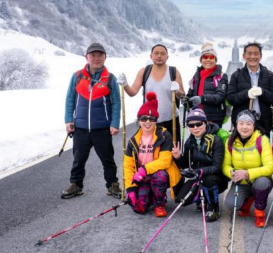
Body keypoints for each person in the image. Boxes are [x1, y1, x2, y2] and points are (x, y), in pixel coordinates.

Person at [62, 43, 121, 199]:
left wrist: (115, 123)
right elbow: (70, 99)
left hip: (102, 128)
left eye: (99, 55)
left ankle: (112, 185)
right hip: (80, 127)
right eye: (93, 55)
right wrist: (69, 120)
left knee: (108, 159)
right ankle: (76, 185)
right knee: (78, 159)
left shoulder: (110, 78)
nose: (96, 58)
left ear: (105, 57)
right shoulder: (77, 76)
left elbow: (116, 102)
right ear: (86, 57)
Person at [123, 92, 182, 217]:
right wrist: (130, 189)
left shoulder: (164, 135)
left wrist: (144, 170)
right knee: (140, 208)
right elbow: (128, 167)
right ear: (139, 121)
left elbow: (165, 161)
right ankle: (149, 194)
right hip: (142, 178)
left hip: (160, 174)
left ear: (156, 121)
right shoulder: (133, 141)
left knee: (159, 176)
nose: (148, 122)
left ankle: (160, 203)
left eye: (152, 119)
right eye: (144, 118)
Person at [117, 44, 185, 144]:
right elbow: (132, 92)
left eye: (162, 53)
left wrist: (177, 90)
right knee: (149, 153)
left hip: (171, 120)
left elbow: (182, 95)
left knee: (172, 153)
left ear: (167, 56)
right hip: (149, 120)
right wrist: (125, 84)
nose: (159, 56)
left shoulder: (173, 71)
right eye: (156, 53)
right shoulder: (144, 72)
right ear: (151, 56)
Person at [171, 106, 228, 222]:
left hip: (216, 178)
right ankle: (202, 198)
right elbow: (186, 163)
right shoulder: (190, 141)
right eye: (191, 125)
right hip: (198, 176)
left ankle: (213, 207)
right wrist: (178, 157)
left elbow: (217, 167)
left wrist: (200, 172)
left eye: (199, 124)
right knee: (180, 200)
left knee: (208, 180)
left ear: (205, 123)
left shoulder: (216, 140)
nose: (195, 128)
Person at [222, 110, 273, 228]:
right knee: (231, 205)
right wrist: (231, 172)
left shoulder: (262, 140)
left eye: (248, 124)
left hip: (259, 180)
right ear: (236, 125)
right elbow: (225, 165)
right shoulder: (230, 141)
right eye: (241, 123)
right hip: (241, 183)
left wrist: (248, 173)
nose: (244, 127)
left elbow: (270, 167)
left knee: (261, 182)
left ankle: (259, 212)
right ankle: (249, 198)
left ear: (254, 125)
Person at [227, 42, 273, 137]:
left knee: (263, 150)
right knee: (242, 151)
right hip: (242, 124)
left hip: (263, 123)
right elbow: (230, 98)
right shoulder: (236, 76)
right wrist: (246, 94)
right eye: (249, 53)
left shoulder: (269, 75)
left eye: (256, 53)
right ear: (244, 56)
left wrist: (263, 92)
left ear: (261, 56)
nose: (252, 56)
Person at [185, 42, 228, 128]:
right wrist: (186, 101)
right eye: (205, 57)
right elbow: (190, 94)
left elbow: (220, 96)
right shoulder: (196, 76)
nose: (208, 60)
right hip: (197, 117)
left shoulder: (221, 76)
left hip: (213, 118)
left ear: (215, 60)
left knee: (212, 141)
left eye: (211, 57)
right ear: (201, 60)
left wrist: (202, 99)